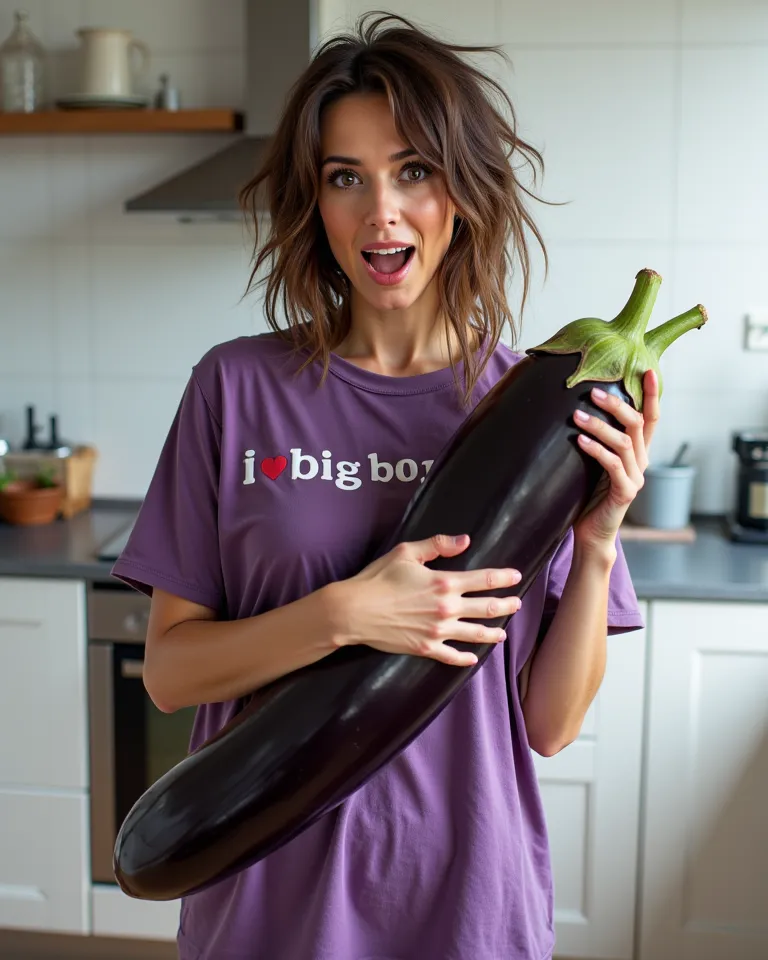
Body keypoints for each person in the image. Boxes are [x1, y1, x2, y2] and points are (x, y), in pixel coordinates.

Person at [112, 13, 655, 960]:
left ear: (465, 190)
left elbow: (551, 726)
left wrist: (601, 535)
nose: (382, 213)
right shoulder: (235, 388)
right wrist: (347, 615)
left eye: (414, 171)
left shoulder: (535, 410)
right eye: (344, 178)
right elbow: (170, 675)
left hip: (465, 902)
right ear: (314, 203)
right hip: (263, 902)